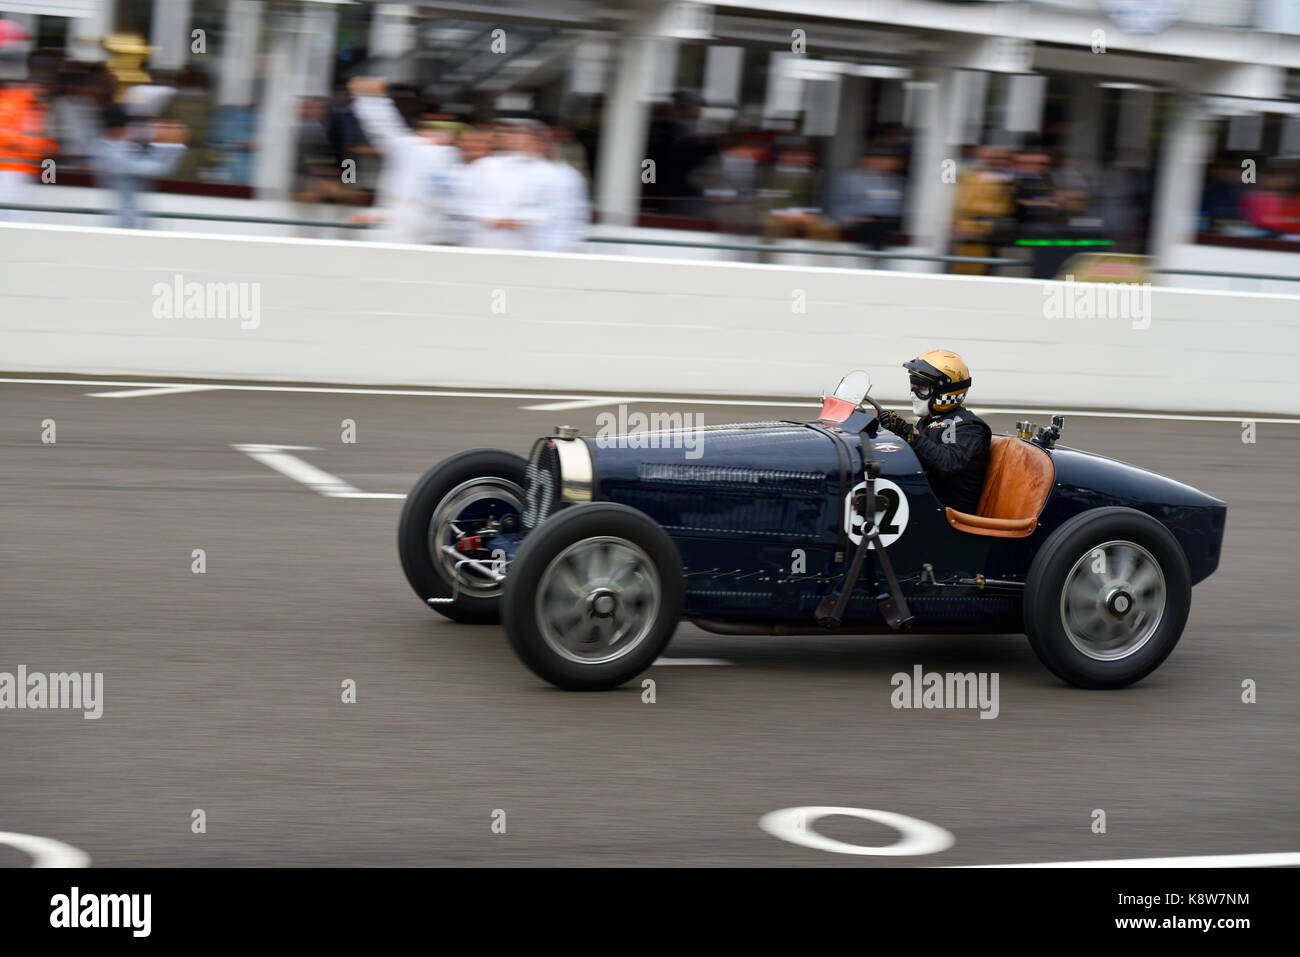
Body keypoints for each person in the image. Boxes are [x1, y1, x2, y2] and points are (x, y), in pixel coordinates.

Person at [346, 76, 463, 245]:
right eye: (434, 129)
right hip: (403, 225)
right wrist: (370, 97)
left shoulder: (453, 158)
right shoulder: (410, 147)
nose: (439, 134)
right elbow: (383, 127)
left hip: (431, 230)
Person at [877, 350, 991, 514]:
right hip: (924, 501)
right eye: (913, 386)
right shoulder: (930, 420)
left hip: (947, 515)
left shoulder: (968, 426)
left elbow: (947, 462)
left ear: (945, 392)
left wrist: (905, 431)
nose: (913, 395)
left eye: (921, 388)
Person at [94, 107, 187, 228]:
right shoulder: (112, 154)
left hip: (130, 222)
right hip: (123, 225)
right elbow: (159, 169)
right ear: (118, 130)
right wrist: (175, 144)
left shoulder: (119, 149)